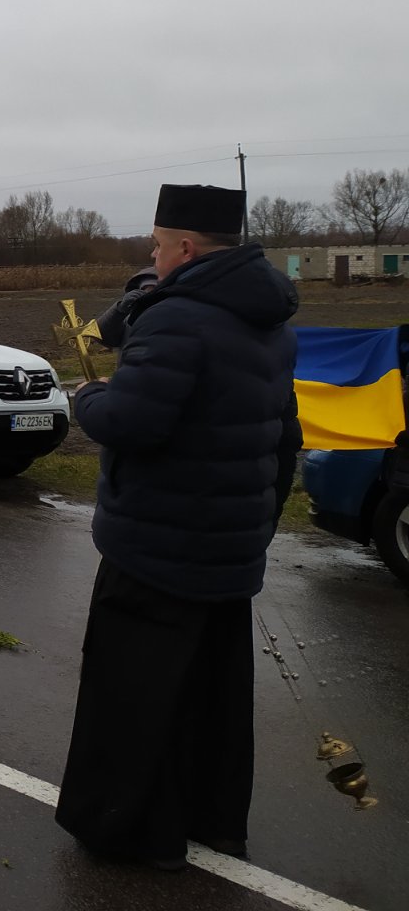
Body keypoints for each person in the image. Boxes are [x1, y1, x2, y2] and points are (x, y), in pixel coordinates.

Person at [55, 184, 300, 870]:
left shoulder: (177, 319)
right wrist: (256, 527)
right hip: (229, 548)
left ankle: (130, 833)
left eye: (158, 245)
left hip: (156, 548)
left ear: (187, 248)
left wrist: (88, 396)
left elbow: (131, 423)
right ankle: (216, 821)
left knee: (134, 693)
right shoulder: (272, 325)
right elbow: (285, 441)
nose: (152, 256)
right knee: (212, 697)